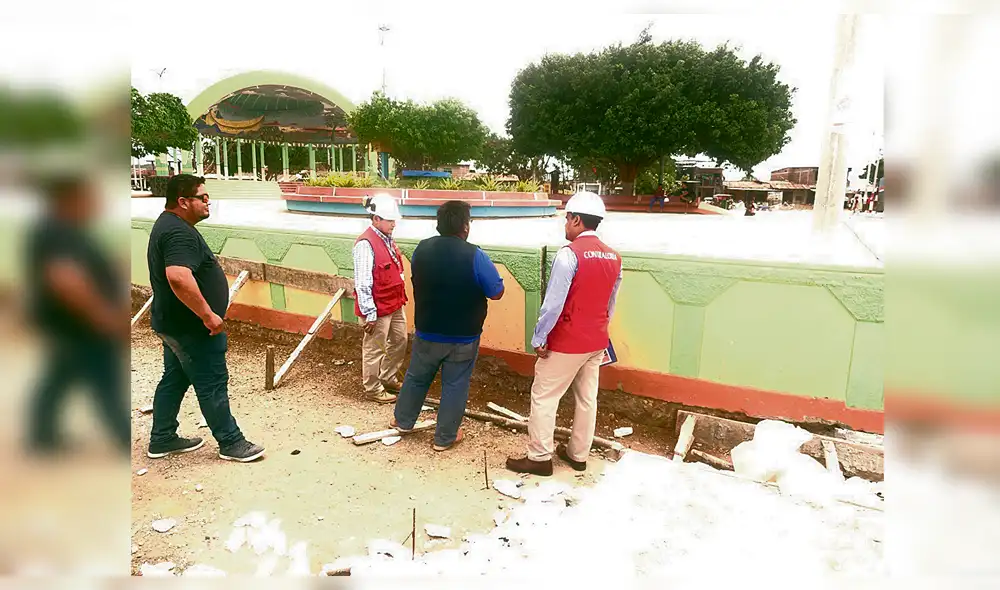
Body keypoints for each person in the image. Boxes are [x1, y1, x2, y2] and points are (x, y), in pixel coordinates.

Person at [146, 174, 264, 462]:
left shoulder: (171, 225)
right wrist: (208, 315)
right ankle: (231, 442)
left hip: (173, 322)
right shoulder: (178, 233)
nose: (208, 201)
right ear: (183, 202)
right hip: (191, 327)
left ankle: (162, 438)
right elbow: (178, 276)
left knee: (174, 378)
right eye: (202, 197)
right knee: (211, 381)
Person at [506, 191, 622, 476]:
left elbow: (553, 303)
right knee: (586, 399)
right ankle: (578, 454)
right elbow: (611, 303)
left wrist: (539, 338)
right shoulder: (614, 257)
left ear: (577, 220)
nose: (565, 224)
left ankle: (539, 457)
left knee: (545, 396)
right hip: (596, 340)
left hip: (568, 341)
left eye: (567, 219)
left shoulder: (569, 255)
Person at [24, 173, 131, 455]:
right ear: (70, 199)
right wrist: (103, 315)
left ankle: (41, 435)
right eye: (89, 197)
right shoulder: (57, 231)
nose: (96, 203)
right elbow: (64, 279)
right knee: (103, 376)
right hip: (79, 322)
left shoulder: (65, 229)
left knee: (62, 375)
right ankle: (123, 436)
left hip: (73, 322)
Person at [391, 201, 504, 451]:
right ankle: (444, 437)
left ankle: (402, 421)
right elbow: (496, 292)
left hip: (427, 330)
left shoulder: (422, 249)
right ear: (465, 226)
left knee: (417, 376)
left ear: (439, 224)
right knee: (455, 384)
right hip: (463, 336)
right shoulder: (475, 255)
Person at [353, 194, 408, 404]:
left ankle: (388, 377)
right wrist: (370, 313)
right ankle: (373, 388)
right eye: (389, 220)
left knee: (400, 340)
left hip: (393, 302)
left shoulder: (387, 239)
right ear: (375, 219)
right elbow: (363, 281)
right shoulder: (365, 244)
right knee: (374, 348)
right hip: (377, 308)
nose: (393, 224)